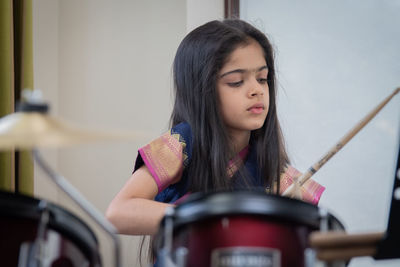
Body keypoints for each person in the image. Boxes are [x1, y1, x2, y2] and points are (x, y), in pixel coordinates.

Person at [106, 17, 324, 247]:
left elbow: (313, 231)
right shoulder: (180, 143)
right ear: (203, 91)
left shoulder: (276, 172)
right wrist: (206, 218)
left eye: (262, 78)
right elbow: (119, 213)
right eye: (236, 81)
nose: (257, 90)